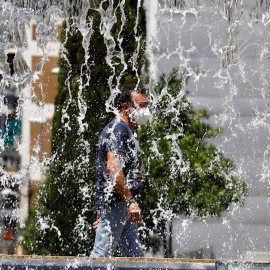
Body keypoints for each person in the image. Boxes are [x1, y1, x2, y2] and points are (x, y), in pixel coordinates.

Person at [90, 84, 151, 258]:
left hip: (121, 204)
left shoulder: (126, 130)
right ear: (126, 107)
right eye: (142, 105)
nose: (146, 110)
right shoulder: (119, 128)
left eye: (148, 106)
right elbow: (112, 167)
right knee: (101, 254)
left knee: (134, 256)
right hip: (118, 202)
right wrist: (130, 202)